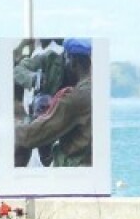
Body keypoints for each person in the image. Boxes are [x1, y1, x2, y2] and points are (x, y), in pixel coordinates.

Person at [14, 38, 93, 167]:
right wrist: (34, 79)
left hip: (61, 119)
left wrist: (13, 127)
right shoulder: (50, 59)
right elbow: (18, 71)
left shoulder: (76, 97)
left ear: (72, 61)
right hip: (50, 117)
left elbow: (29, 136)